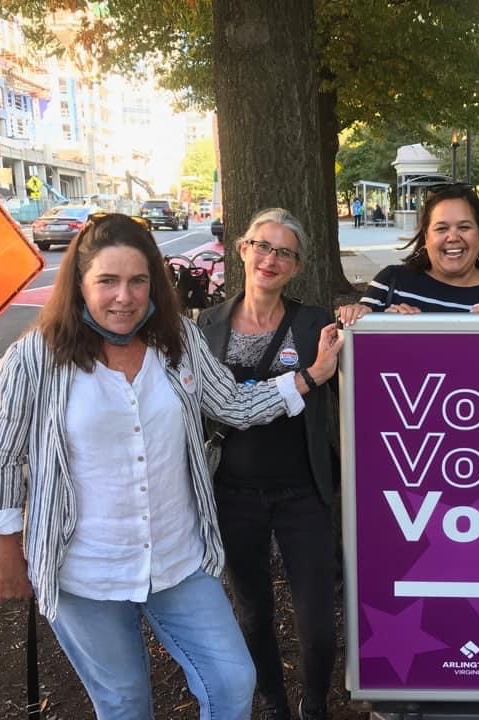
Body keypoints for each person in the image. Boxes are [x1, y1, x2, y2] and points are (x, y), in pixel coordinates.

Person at [0, 213, 343, 720]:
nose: (124, 297)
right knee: (125, 703)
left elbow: (232, 403)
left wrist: (309, 377)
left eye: (138, 281)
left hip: (177, 560)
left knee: (233, 682)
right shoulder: (35, 358)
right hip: (86, 573)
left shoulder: (180, 343)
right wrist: (5, 556)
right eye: (107, 281)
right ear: (79, 285)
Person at [197, 209, 337, 720]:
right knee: (252, 612)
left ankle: (314, 702)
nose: (270, 258)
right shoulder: (206, 324)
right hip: (234, 492)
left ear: (296, 266)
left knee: (318, 618)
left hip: (303, 491)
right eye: (262, 246)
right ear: (242, 250)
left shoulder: (313, 322)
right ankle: (273, 701)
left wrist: (362, 316)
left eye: (284, 252)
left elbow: (357, 376)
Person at [338, 183, 479, 322]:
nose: (453, 237)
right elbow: (352, 357)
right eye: (441, 228)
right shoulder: (391, 282)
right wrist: (374, 325)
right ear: (426, 236)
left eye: (464, 227)